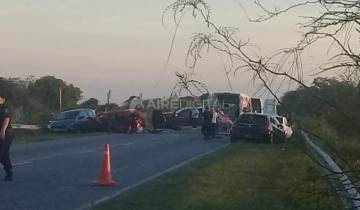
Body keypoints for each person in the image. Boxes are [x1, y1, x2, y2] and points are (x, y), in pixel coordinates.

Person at [0, 94, 13, 181]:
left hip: (6, 134)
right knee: (4, 155)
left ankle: (9, 171)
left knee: (1, 154)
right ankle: (9, 171)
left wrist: (2, 130)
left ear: (3, 100)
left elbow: (6, 119)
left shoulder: (5, 108)